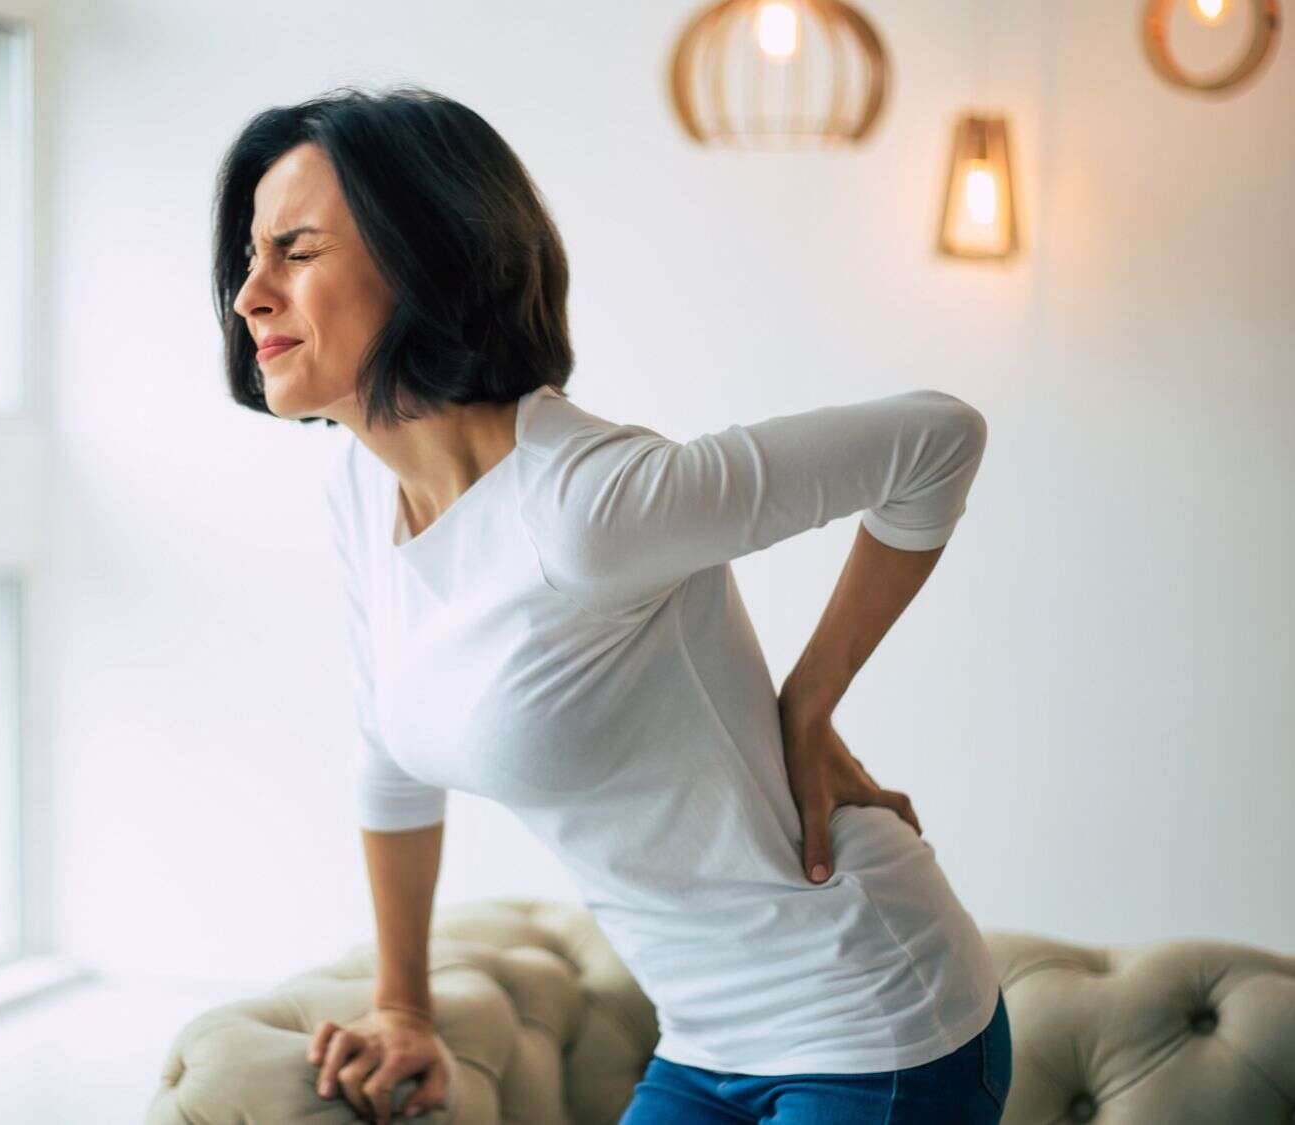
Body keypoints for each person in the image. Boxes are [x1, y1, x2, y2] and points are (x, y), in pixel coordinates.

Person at [211, 84, 1012, 1125]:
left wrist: (809, 702)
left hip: (873, 1020)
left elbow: (936, 439)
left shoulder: (584, 505)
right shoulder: (365, 492)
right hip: (702, 1041)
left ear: (426, 258)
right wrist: (402, 1006)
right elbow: (390, 757)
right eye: (250, 256)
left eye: (296, 250)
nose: (250, 295)